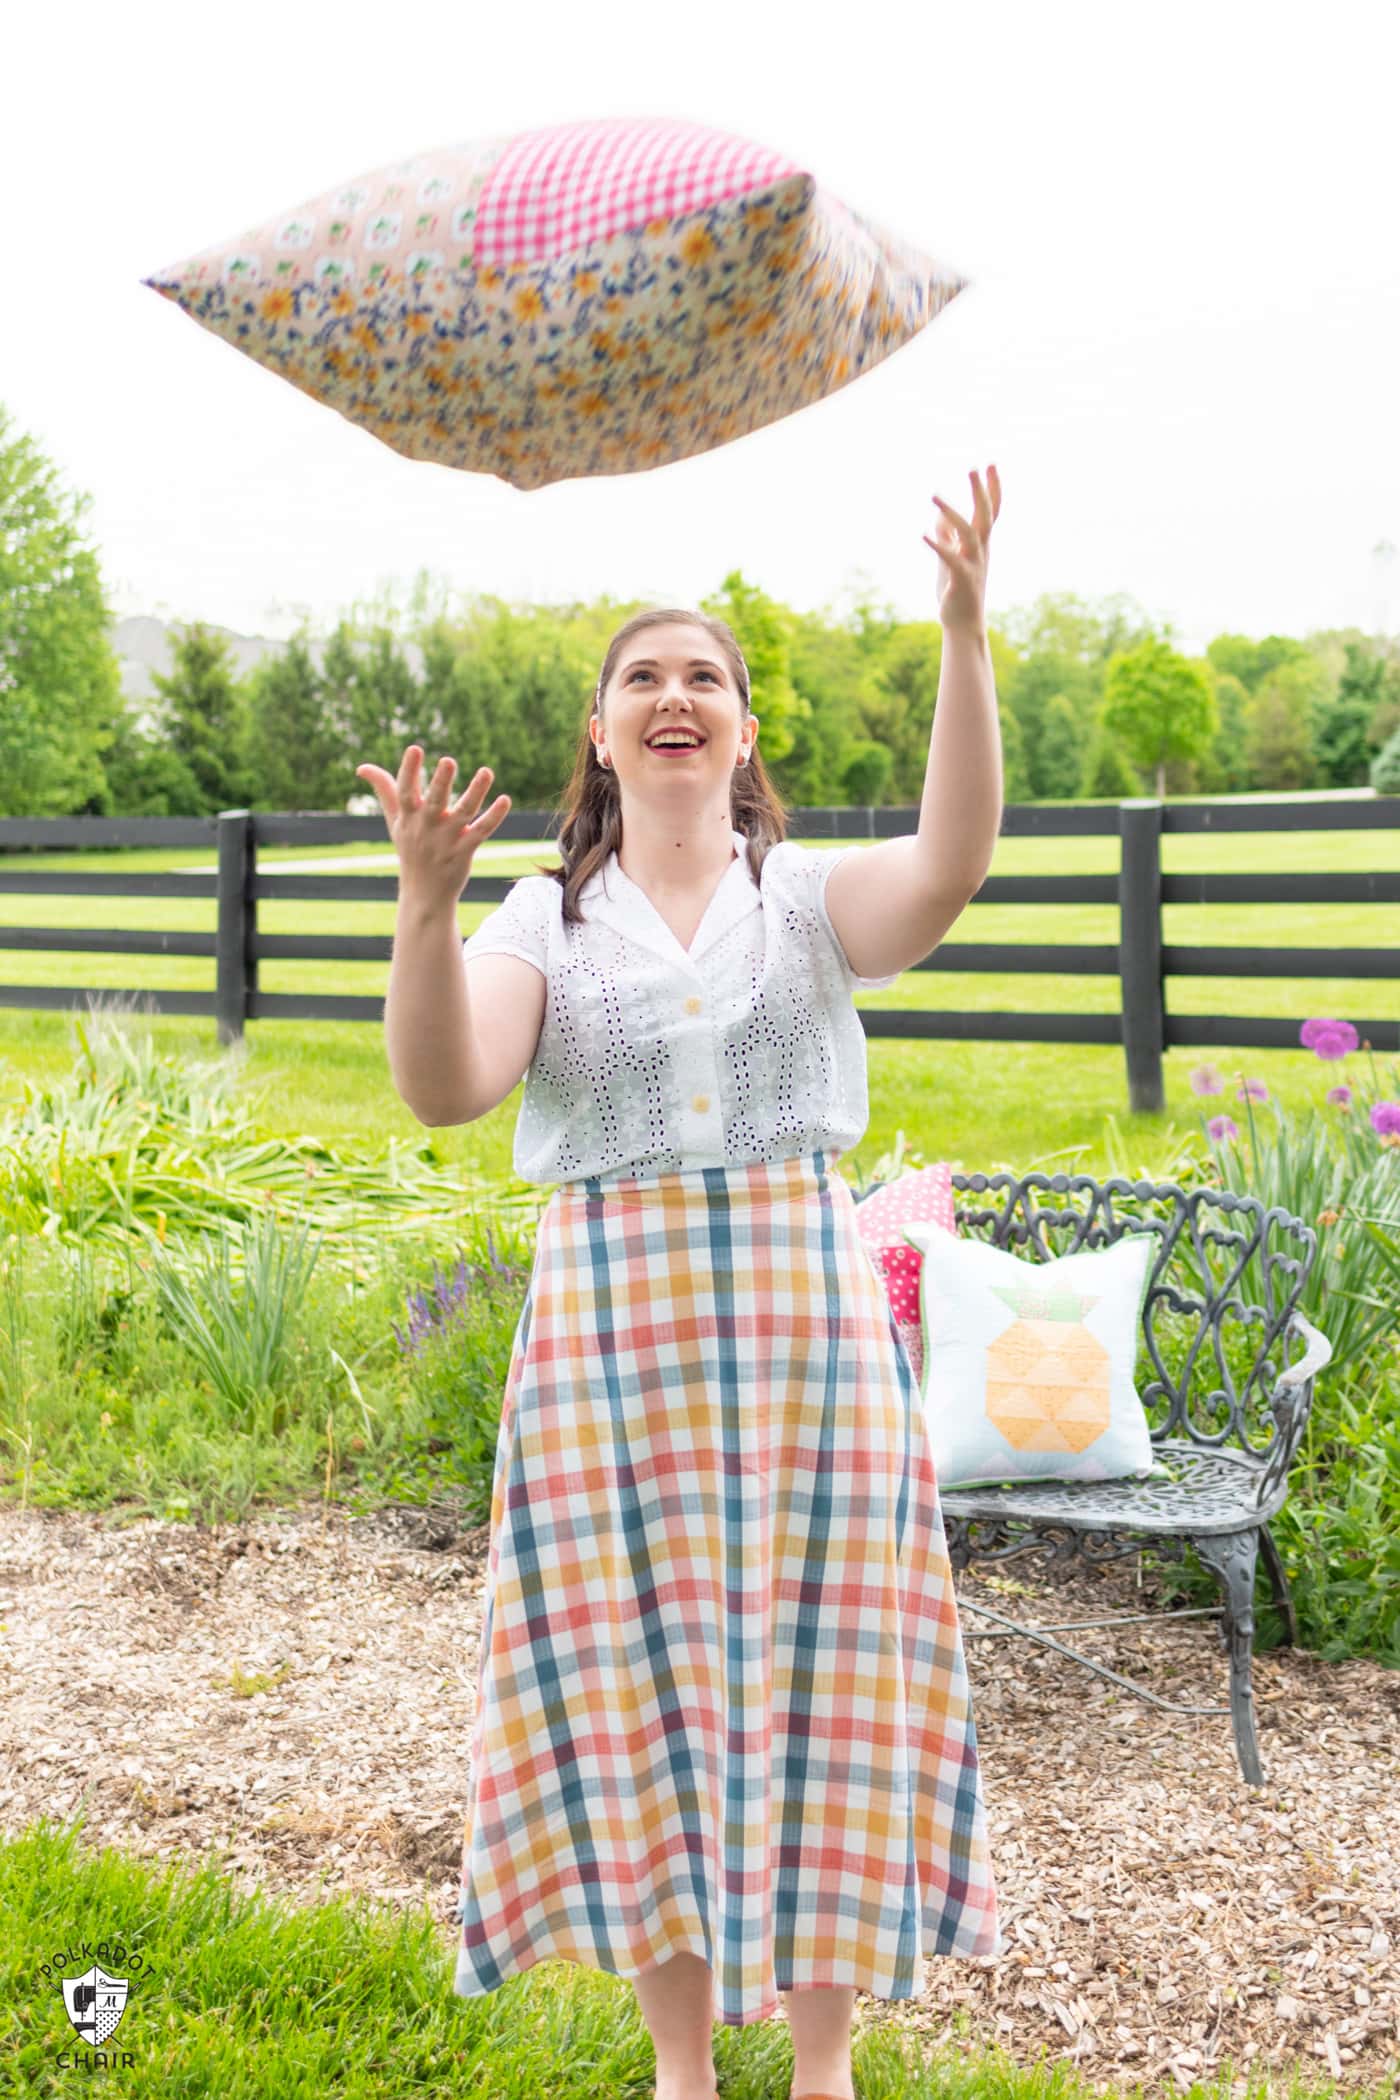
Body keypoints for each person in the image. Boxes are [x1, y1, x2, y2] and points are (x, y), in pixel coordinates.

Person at [356, 467, 1004, 2100]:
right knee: (633, 1675)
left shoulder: (803, 902)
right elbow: (447, 1084)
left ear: (739, 730)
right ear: (599, 733)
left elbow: (951, 861)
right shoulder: (541, 918)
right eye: (640, 675)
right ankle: (678, 2069)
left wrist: (963, 631)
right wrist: (426, 907)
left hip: (809, 1345)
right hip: (610, 1356)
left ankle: (824, 2063)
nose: (672, 695)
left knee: (830, 1666)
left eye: (701, 675)